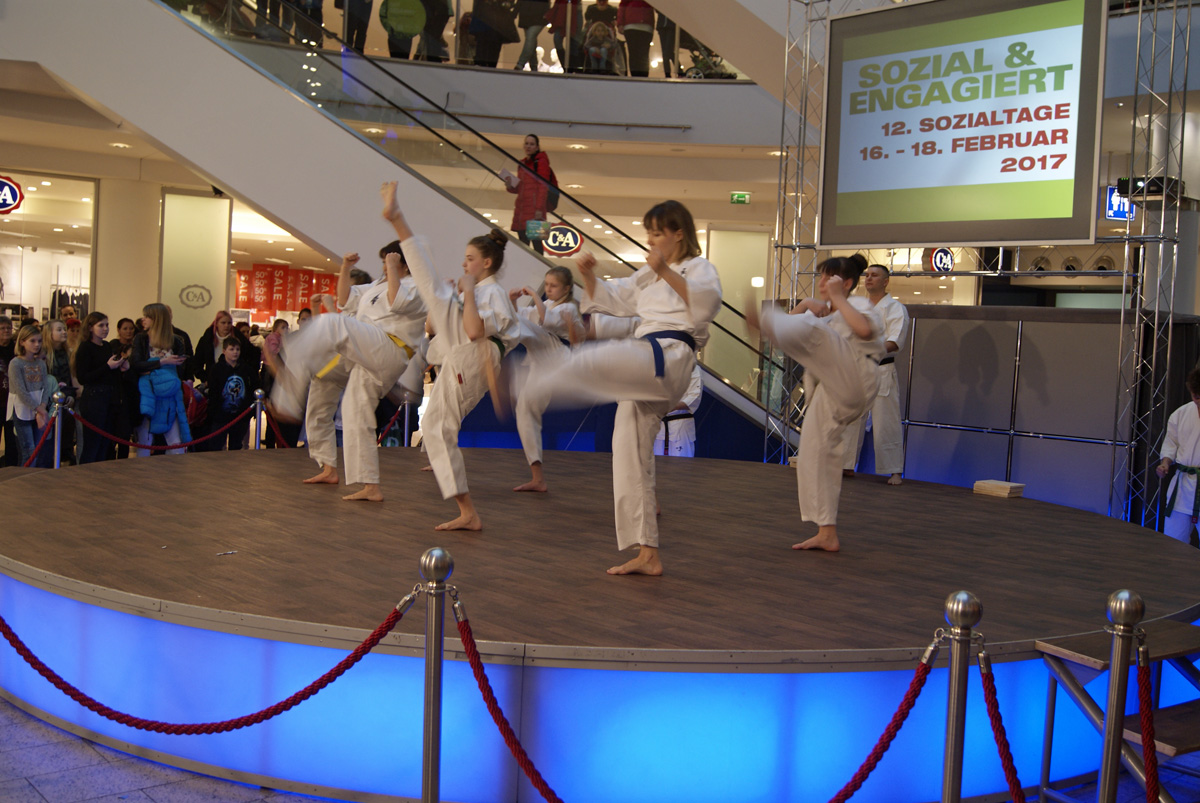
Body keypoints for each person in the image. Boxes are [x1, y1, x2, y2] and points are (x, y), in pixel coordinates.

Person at [514, 200, 722, 575]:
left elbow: (706, 305)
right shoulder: (649, 273)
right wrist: (590, 276)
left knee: (603, 357)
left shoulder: (698, 268)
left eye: (657, 233)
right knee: (628, 450)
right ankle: (648, 552)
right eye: (649, 233)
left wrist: (664, 271)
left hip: (668, 355)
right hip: (650, 361)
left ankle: (540, 379)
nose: (651, 240)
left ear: (679, 234)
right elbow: (618, 297)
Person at [381, 180, 521, 529]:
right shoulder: (478, 290)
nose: (464, 263)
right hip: (462, 351)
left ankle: (468, 511)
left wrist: (466, 294)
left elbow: (474, 331)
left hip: (476, 351)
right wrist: (453, 296)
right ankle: (399, 220)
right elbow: (432, 326)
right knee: (433, 425)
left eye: (470, 259)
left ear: (486, 262)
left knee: (437, 426)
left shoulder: (493, 293)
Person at [267, 243, 426, 501]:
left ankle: (288, 392)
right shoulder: (375, 286)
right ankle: (356, 478)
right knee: (340, 397)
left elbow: (396, 302)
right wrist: (345, 267)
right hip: (364, 352)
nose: (384, 267)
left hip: (390, 348)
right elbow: (344, 299)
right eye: (383, 262)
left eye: (389, 261)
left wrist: (393, 268)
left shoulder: (417, 286)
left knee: (331, 323)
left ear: (404, 264)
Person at [750, 256, 885, 553]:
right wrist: (804, 304)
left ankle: (772, 319)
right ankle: (827, 531)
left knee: (816, 331)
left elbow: (864, 331)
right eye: (821, 277)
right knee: (814, 452)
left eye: (829, 278)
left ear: (846, 283)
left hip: (856, 375)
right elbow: (790, 331)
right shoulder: (829, 316)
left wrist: (838, 299)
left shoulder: (858, 305)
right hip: (832, 387)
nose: (822, 283)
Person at [511, 265, 584, 492]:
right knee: (524, 411)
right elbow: (519, 317)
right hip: (539, 363)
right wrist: (512, 300)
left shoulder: (569, 308)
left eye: (554, 286)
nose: (549, 289)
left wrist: (535, 294)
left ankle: (492, 342)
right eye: (547, 285)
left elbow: (546, 319)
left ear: (567, 288)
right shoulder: (546, 306)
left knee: (527, 327)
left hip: (556, 357)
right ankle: (538, 477)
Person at [840, 264, 910, 485]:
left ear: (885, 281)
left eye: (874, 275)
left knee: (886, 420)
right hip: (857, 369)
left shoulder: (895, 308)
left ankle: (895, 470)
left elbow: (895, 340)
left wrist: (872, 348)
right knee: (852, 418)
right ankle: (846, 465)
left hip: (882, 369)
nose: (869, 278)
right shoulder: (858, 307)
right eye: (867, 275)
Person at [131, 303, 190, 456]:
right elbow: (136, 365)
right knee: (145, 441)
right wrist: (163, 362)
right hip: (148, 394)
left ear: (157, 319)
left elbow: (179, 370)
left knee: (175, 442)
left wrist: (151, 367)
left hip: (170, 395)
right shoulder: (141, 339)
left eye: (147, 317)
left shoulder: (177, 341)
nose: (143, 320)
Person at [74, 312, 130, 464]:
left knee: (105, 444)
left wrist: (121, 367)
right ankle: (86, 473)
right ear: (90, 328)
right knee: (92, 443)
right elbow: (83, 377)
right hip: (93, 399)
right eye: (101, 325)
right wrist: (107, 366)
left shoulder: (106, 346)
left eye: (107, 325)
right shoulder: (85, 347)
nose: (105, 329)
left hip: (108, 397)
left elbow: (109, 373)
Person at [1156, 368, 1200, 546]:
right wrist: (1165, 463)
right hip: (1182, 488)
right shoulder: (1181, 414)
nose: (1198, 401)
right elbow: (1171, 444)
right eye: (1196, 397)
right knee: (1173, 544)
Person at [8, 324, 57, 468]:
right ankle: (24, 477)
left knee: (37, 449)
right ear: (22, 342)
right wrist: (39, 409)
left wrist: (42, 406)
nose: (37, 344)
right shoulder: (15, 363)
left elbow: (45, 387)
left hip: (39, 407)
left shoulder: (40, 364)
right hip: (23, 409)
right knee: (28, 450)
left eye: (39, 341)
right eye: (32, 341)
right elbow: (21, 391)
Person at [208, 337, 260, 451]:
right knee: (216, 444)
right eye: (231, 349)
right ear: (224, 351)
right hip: (221, 415)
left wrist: (249, 412)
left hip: (240, 415)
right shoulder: (216, 369)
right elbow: (213, 392)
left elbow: (253, 387)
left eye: (237, 349)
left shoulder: (246, 369)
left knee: (236, 445)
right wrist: (214, 412)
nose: (235, 352)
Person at [504, 134, 553, 256]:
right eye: (526, 143)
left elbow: (543, 186)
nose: (528, 146)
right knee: (523, 248)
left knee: (537, 248)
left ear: (537, 147)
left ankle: (539, 268)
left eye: (532, 144)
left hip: (535, 212)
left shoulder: (541, 162)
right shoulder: (522, 164)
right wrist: (510, 185)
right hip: (521, 211)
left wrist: (539, 209)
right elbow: (520, 188)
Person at [44, 319, 78, 465]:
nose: (64, 332)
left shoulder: (68, 353)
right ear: (49, 333)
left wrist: (73, 394)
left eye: (64, 329)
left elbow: (72, 377)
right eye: (59, 330)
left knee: (66, 432)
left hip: (66, 397)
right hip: (49, 400)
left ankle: (65, 456)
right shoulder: (44, 354)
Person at [655, 362, 701, 456]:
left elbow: (694, 396)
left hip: (680, 423)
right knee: (656, 460)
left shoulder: (692, 368)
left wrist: (670, 407)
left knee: (681, 461)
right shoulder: (656, 366)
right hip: (658, 423)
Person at [617, 0, 654, 77]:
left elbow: (622, 6)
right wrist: (620, 23)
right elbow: (622, 5)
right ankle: (639, 76)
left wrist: (620, 23)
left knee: (639, 55)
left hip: (640, 26)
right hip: (639, 26)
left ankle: (639, 76)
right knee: (638, 54)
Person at [545, 0, 583, 70]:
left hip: (575, 8)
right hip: (561, 8)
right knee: (557, 39)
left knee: (574, 42)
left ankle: (573, 68)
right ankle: (565, 66)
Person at [514, 0, 549, 70]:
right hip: (527, 16)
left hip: (537, 16)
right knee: (531, 41)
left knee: (530, 37)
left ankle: (521, 63)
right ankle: (533, 66)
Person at [0, 317, 16, 466]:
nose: (6, 331)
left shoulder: (16, 348)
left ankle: (11, 465)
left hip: (12, 399)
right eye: (2, 328)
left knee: (12, 438)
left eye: (8, 328)